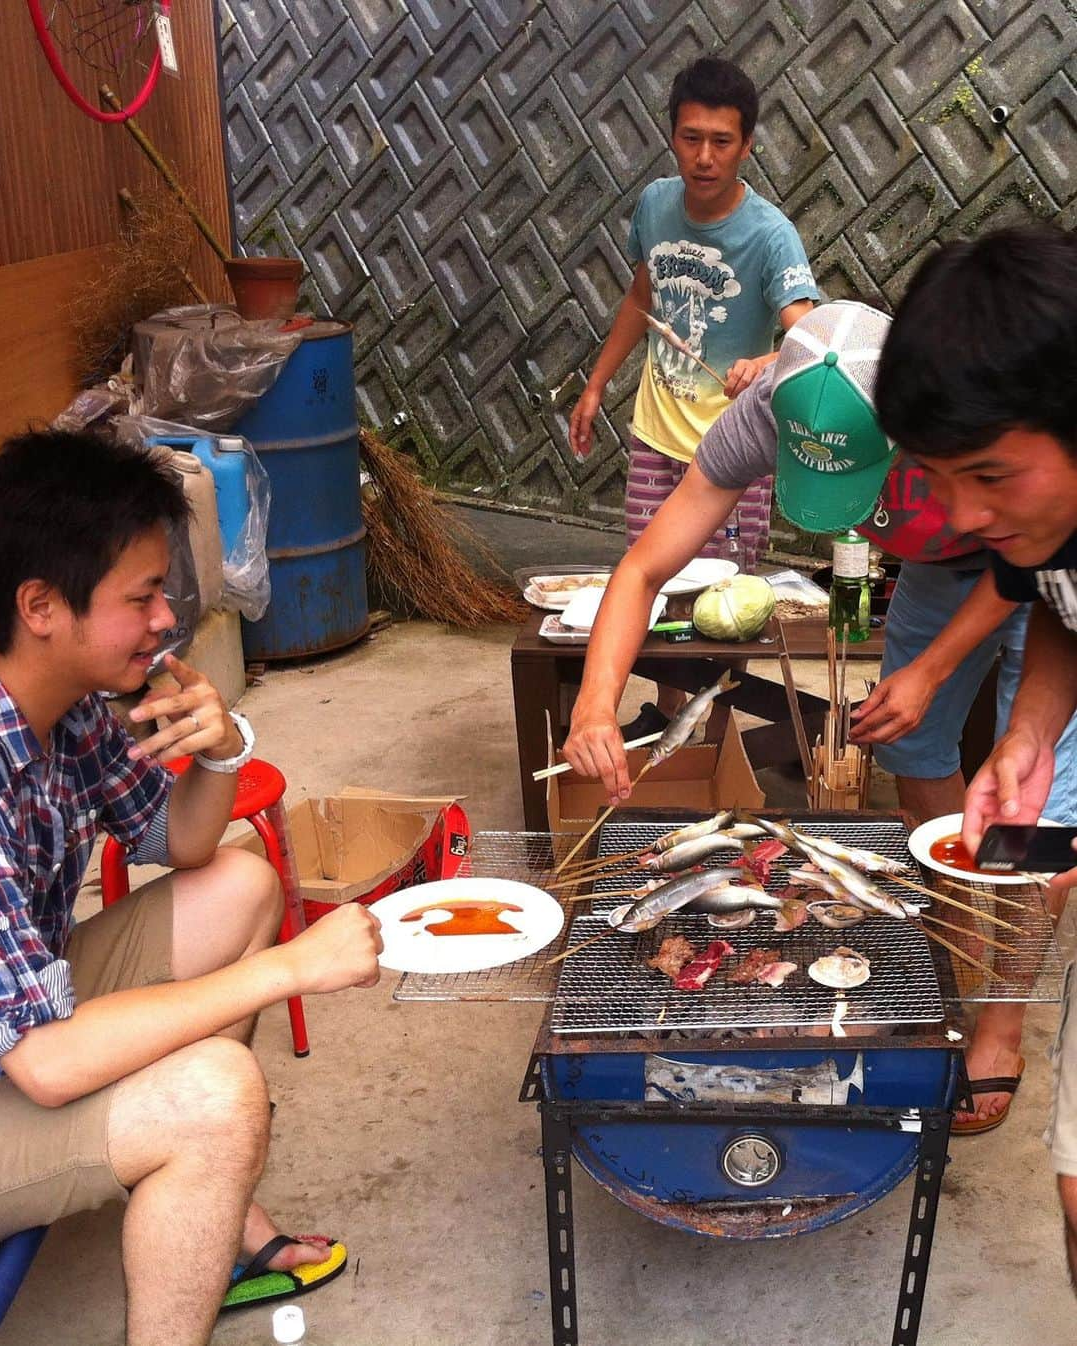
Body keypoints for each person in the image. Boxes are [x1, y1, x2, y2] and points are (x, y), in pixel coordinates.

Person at [561, 296, 1077, 1131]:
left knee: (1039, 824)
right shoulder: (760, 412)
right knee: (916, 760)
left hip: (1030, 551)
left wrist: (935, 670)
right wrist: (594, 707)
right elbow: (643, 568)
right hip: (936, 572)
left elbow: (1036, 559)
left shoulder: (962, 419)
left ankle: (1002, 1026)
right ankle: (958, 947)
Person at [0, 430, 383, 1346]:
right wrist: (287, 970)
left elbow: (182, 839)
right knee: (215, 1094)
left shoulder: (72, 709)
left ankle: (220, 1224)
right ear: (41, 605)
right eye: (141, 598)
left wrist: (221, 748)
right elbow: (46, 1067)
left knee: (242, 886)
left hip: (22, 1021)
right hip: (23, 1057)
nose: (167, 618)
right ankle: (206, 1181)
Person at [872, 225, 1077, 1284]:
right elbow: (1061, 609)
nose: (961, 514)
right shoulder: (1049, 522)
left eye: (989, 473)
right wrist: (1033, 731)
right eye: (939, 477)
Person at [568, 53, 818, 738]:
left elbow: (813, 334)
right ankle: (667, 722)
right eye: (690, 137)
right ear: (672, 134)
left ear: (747, 145)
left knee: (719, 608)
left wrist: (767, 361)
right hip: (656, 434)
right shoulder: (654, 205)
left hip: (733, 453)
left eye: (722, 141)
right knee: (650, 589)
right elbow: (640, 299)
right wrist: (596, 385)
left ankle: (713, 741)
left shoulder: (770, 235)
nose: (704, 157)